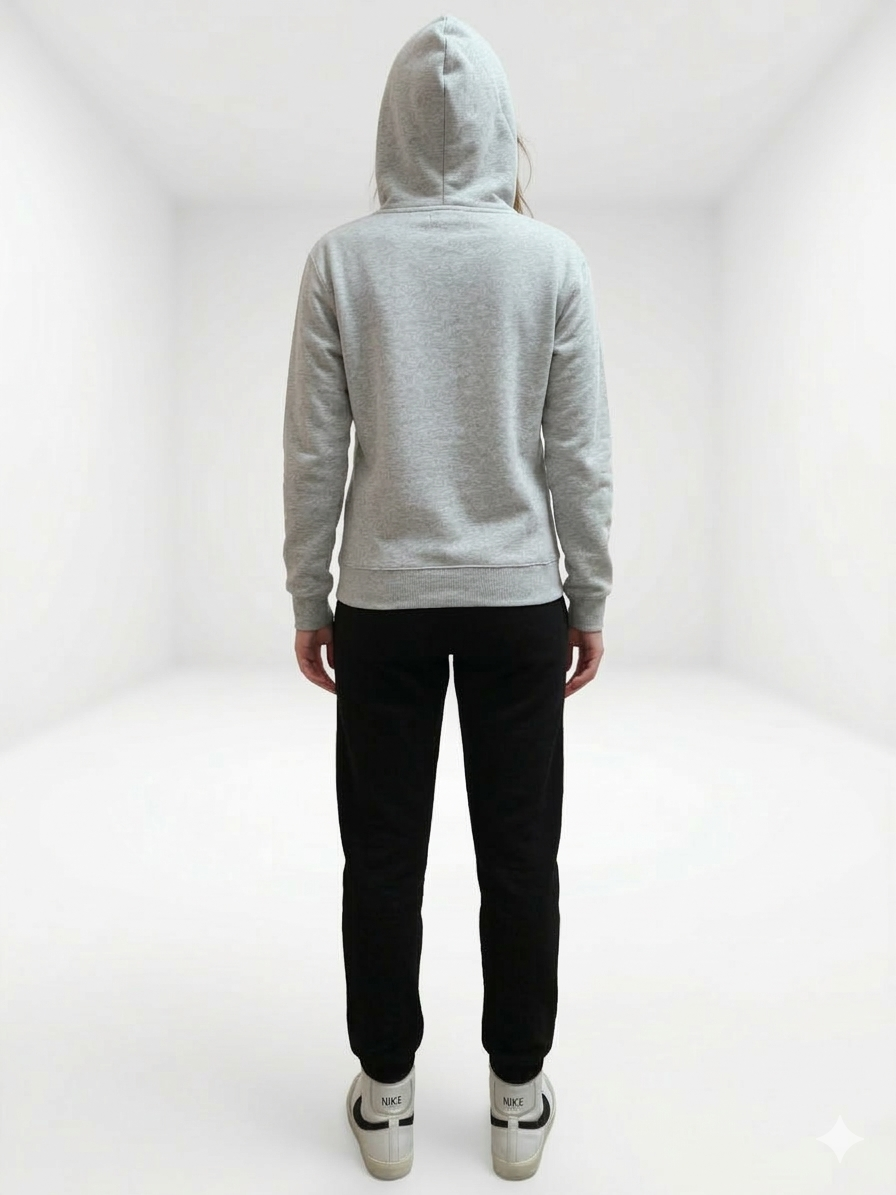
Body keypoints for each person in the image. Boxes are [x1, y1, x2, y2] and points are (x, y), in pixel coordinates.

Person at [282, 13, 612, 1181]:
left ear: (391, 127)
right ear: (499, 130)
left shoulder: (342, 260)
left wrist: (309, 592)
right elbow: (579, 454)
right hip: (518, 601)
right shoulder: (549, 260)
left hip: (383, 603)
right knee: (519, 855)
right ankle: (517, 1099)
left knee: (381, 857)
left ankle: (386, 1098)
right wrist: (587, 594)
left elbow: (314, 451)